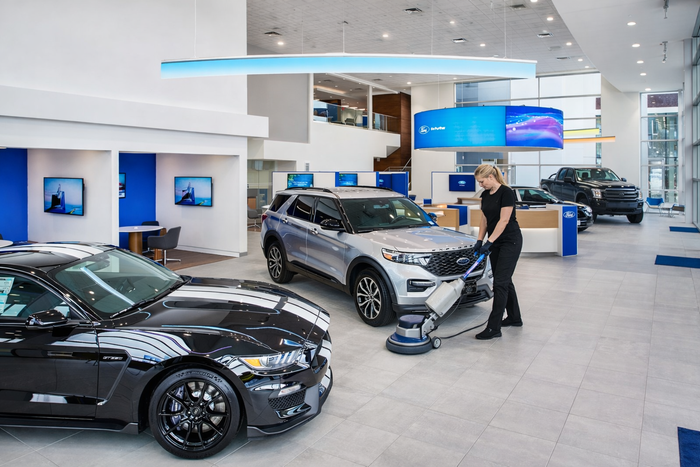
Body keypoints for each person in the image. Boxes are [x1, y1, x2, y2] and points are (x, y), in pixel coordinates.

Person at [472, 164, 523, 340]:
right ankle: (515, 318)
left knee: (500, 283)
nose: (480, 185)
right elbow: (484, 219)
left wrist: (489, 242)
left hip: (510, 241)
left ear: (491, 177)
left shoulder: (506, 193)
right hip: (495, 242)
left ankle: (494, 328)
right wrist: (479, 240)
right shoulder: (485, 195)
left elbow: (504, 220)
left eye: (482, 181)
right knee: (505, 280)